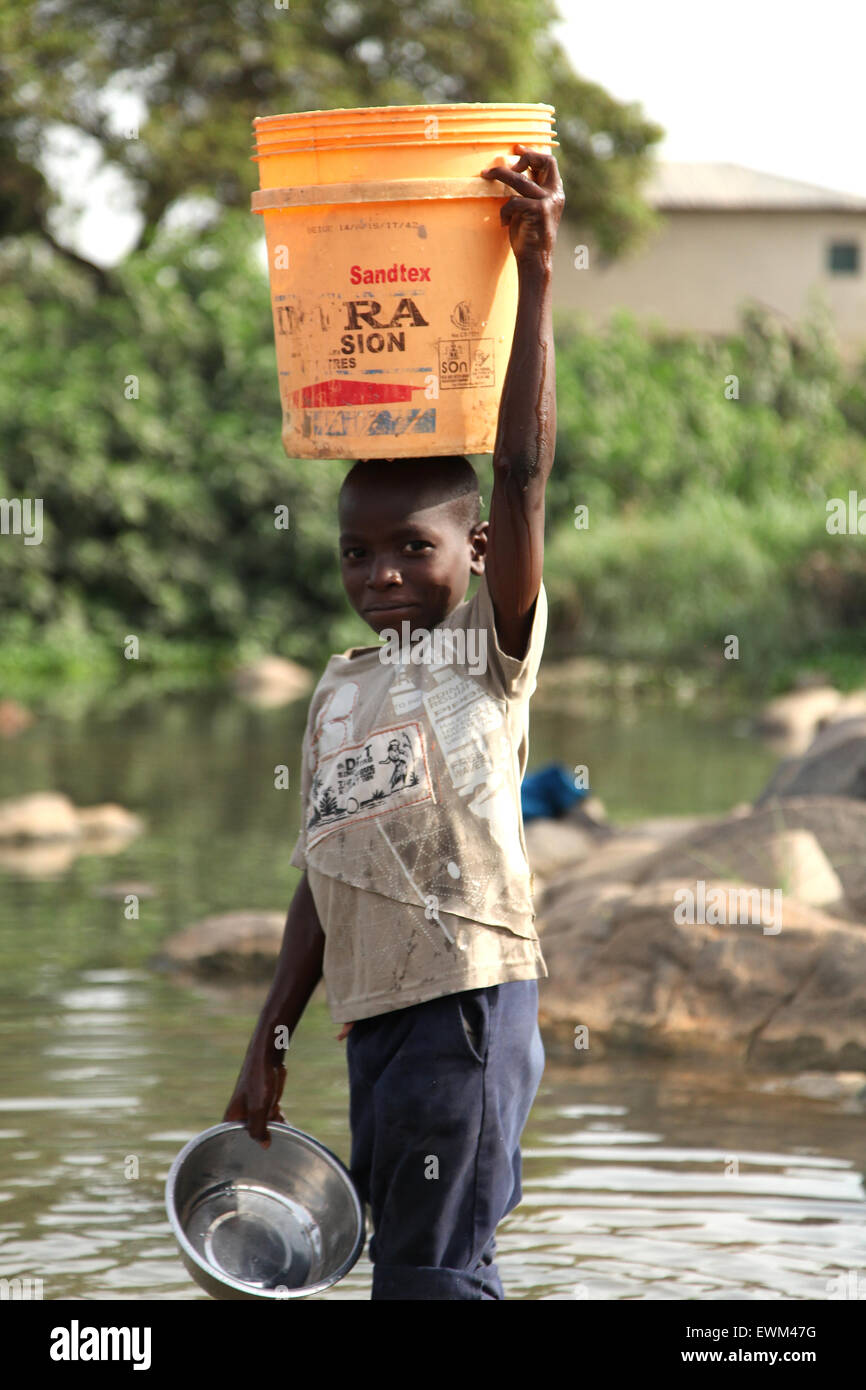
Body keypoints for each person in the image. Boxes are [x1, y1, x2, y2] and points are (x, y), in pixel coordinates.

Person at [224, 145, 564, 1300]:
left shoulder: (485, 652)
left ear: (471, 552)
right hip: (376, 1021)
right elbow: (326, 871)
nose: (377, 575)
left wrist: (536, 275)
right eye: (355, 554)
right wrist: (270, 1035)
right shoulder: (336, 688)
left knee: (429, 1273)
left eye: (408, 547)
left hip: (467, 1000)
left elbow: (517, 470)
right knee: (411, 1264)